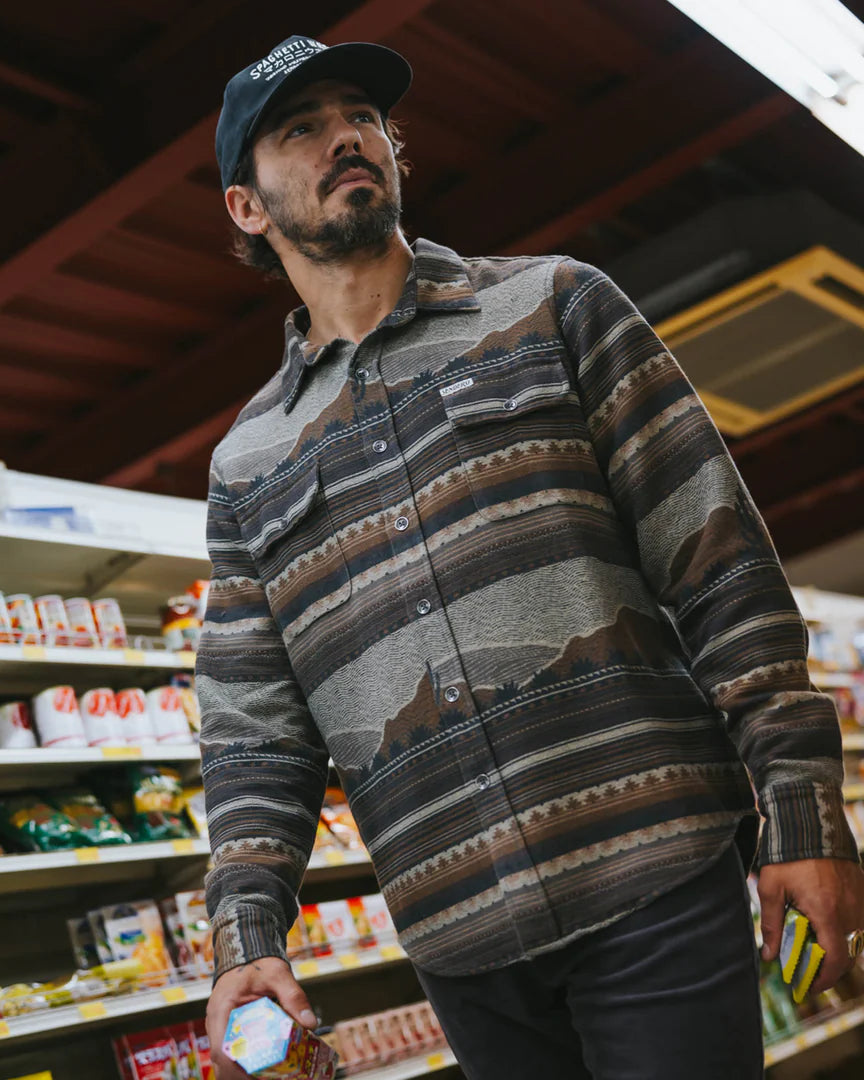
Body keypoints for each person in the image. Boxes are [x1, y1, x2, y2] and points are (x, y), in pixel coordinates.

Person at [197, 34, 864, 1080]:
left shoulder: (556, 306)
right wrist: (248, 938)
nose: (345, 139)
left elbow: (719, 563)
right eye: (301, 129)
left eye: (360, 117)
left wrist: (802, 812)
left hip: (658, 878)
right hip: (463, 947)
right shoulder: (246, 464)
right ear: (247, 206)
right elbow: (254, 735)